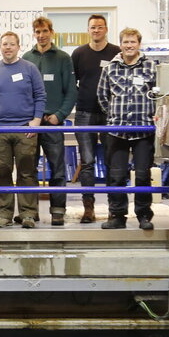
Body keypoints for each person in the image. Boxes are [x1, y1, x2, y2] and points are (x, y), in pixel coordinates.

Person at [0, 32, 47, 228]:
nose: (8, 47)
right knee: (2, 171)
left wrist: (36, 121)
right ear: (0, 47)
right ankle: (5, 214)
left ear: (18, 47)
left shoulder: (29, 68)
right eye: (4, 44)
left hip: (25, 129)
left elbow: (40, 95)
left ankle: (28, 214)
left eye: (11, 44)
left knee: (27, 172)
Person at [97, 27, 157, 231]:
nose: (129, 46)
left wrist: (150, 115)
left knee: (142, 175)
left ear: (139, 44)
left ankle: (144, 215)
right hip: (117, 130)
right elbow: (102, 96)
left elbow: (158, 95)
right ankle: (117, 216)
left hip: (144, 130)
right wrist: (114, 116)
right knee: (116, 176)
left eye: (133, 42)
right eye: (126, 42)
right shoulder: (110, 68)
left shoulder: (151, 67)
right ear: (120, 44)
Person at [22, 16, 77, 227]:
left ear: (51, 32)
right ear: (34, 34)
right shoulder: (27, 58)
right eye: (38, 32)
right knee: (29, 169)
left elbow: (71, 91)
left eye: (45, 31)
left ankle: (58, 211)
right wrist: (28, 118)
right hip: (32, 123)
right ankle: (30, 212)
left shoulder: (63, 58)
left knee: (57, 168)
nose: (41, 35)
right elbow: (22, 92)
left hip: (53, 122)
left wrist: (60, 115)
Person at [70, 14, 121, 223]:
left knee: (112, 161)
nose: (96, 30)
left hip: (110, 114)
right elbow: (72, 82)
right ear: (88, 29)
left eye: (100, 27)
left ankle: (113, 209)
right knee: (88, 162)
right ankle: (88, 209)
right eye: (93, 27)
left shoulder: (116, 52)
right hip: (85, 113)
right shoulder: (79, 53)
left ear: (106, 29)